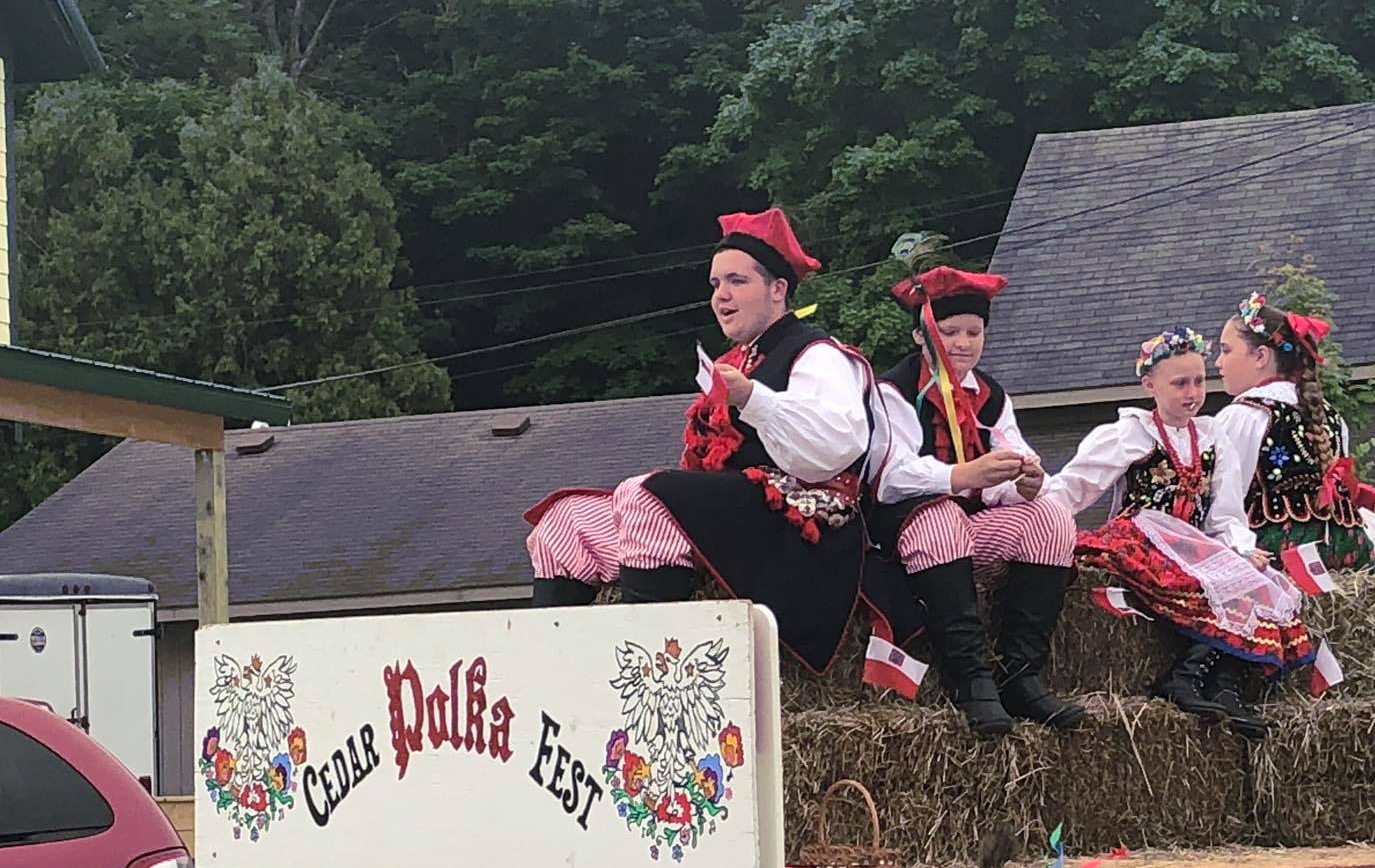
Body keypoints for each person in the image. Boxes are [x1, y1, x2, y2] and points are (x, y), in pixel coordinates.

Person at [523, 208, 896, 676]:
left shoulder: (816, 352)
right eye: (715, 284)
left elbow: (836, 446)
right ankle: (546, 677)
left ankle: (647, 677)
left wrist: (752, 397)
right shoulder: (736, 358)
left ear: (778, 290)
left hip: (804, 519)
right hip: (738, 513)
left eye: (737, 281)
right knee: (564, 521)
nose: (721, 296)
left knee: (646, 495)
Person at [1046, 326, 1313, 740]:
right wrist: (1038, 522)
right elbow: (1074, 487)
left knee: (1262, 582)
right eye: (1180, 383)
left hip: (1192, 542)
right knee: (1214, 582)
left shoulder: (1213, 437)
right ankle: (1184, 676)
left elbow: (1226, 514)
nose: (1192, 393)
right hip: (1144, 534)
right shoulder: (1129, 433)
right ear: (1149, 385)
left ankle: (1221, 683)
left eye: (1199, 381)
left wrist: (1240, 548)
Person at [870, 265, 1084, 737]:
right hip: (905, 528)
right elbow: (889, 475)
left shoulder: (990, 395)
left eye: (974, 331)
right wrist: (961, 475)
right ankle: (970, 679)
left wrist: (1024, 481)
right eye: (949, 332)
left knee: (1050, 518)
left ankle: (1021, 674)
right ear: (922, 335)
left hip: (970, 526)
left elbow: (1014, 456)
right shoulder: (895, 390)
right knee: (942, 515)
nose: (963, 342)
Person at [1207, 292, 1373, 722]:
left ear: (1261, 356)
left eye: (1226, 351)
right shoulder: (1331, 417)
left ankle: (1217, 679)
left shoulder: (1243, 415)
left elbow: (1221, 508)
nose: (1218, 363)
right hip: (1346, 550)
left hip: (1283, 553)